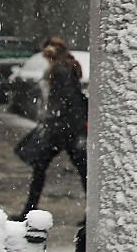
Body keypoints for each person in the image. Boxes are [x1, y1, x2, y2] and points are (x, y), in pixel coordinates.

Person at [13, 37, 88, 218]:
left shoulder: (60, 69)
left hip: (63, 129)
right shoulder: (67, 66)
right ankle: (91, 212)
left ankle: (29, 210)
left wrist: (56, 119)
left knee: (42, 167)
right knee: (81, 169)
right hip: (67, 127)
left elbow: (69, 98)